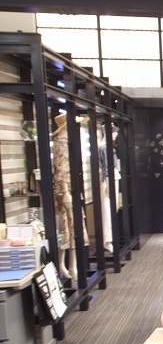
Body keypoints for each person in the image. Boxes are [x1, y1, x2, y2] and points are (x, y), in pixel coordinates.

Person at [52, 113, 89, 281]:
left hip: (70, 190)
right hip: (64, 192)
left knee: (74, 227)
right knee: (66, 227)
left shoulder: (67, 142)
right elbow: (60, 170)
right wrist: (66, 191)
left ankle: (73, 265)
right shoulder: (60, 144)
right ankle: (62, 264)